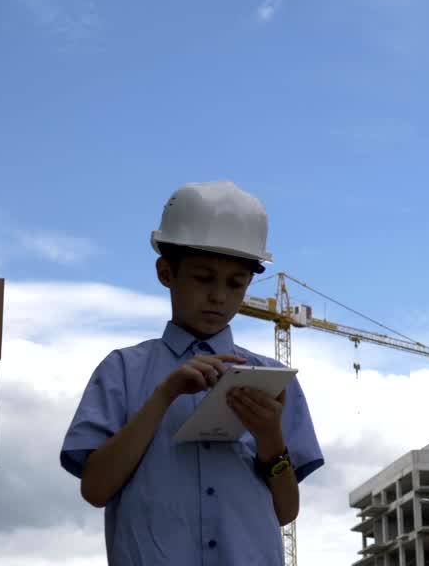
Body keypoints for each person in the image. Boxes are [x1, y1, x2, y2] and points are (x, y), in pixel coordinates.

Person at [60, 181, 324, 565]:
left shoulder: (273, 378)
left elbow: (285, 511)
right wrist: (163, 396)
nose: (219, 296)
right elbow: (96, 489)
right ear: (166, 272)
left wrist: (270, 437)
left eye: (236, 284)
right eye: (203, 278)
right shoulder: (122, 370)